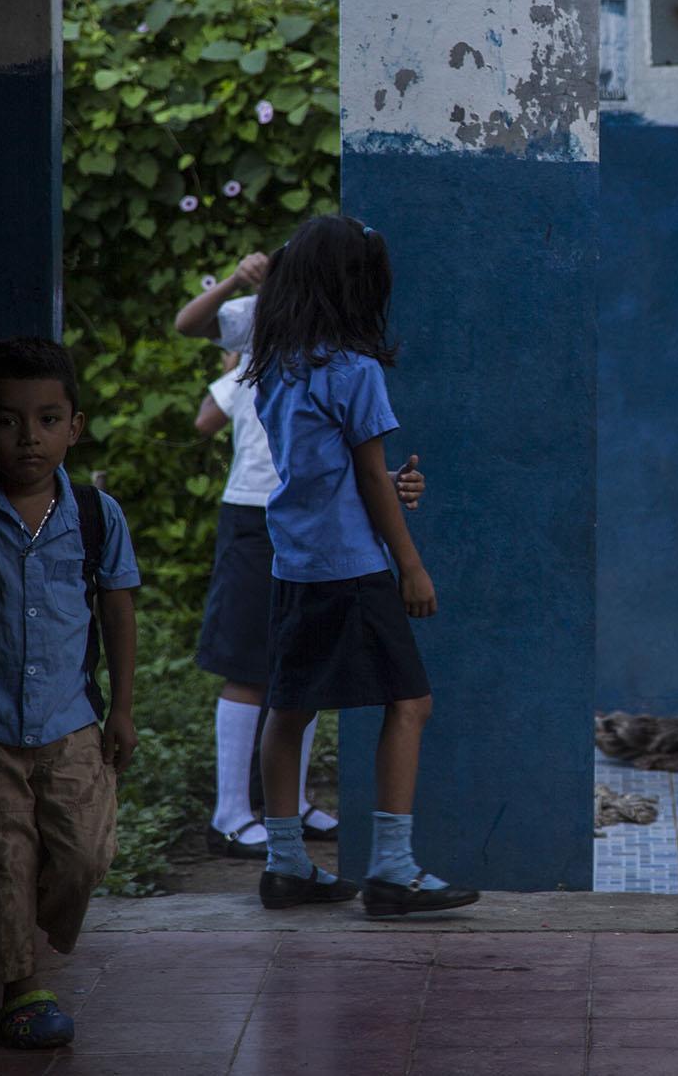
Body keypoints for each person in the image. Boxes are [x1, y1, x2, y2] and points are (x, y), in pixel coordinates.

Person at [243, 215, 474, 917]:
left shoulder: (276, 367)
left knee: (289, 710)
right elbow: (372, 479)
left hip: (296, 563)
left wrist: (382, 484)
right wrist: (412, 565)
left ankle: (285, 865)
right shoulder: (355, 371)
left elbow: (333, 470)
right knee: (410, 703)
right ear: (357, 291)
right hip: (354, 567)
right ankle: (392, 869)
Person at [178, 260, 425, 859]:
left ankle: (284, 821)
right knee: (253, 667)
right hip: (258, 513)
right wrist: (236, 282)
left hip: (312, 520)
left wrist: (383, 482)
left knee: (297, 679)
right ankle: (233, 815)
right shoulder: (267, 338)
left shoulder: (326, 358)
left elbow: (334, 464)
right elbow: (191, 332)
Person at [0, 338, 140, 1048]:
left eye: (48, 419)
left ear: (74, 426)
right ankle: (21, 986)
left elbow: (117, 607)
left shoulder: (95, 513)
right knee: (5, 853)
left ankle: (24, 938)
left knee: (82, 856)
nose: (28, 438)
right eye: (8, 420)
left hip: (71, 721)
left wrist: (124, 708)